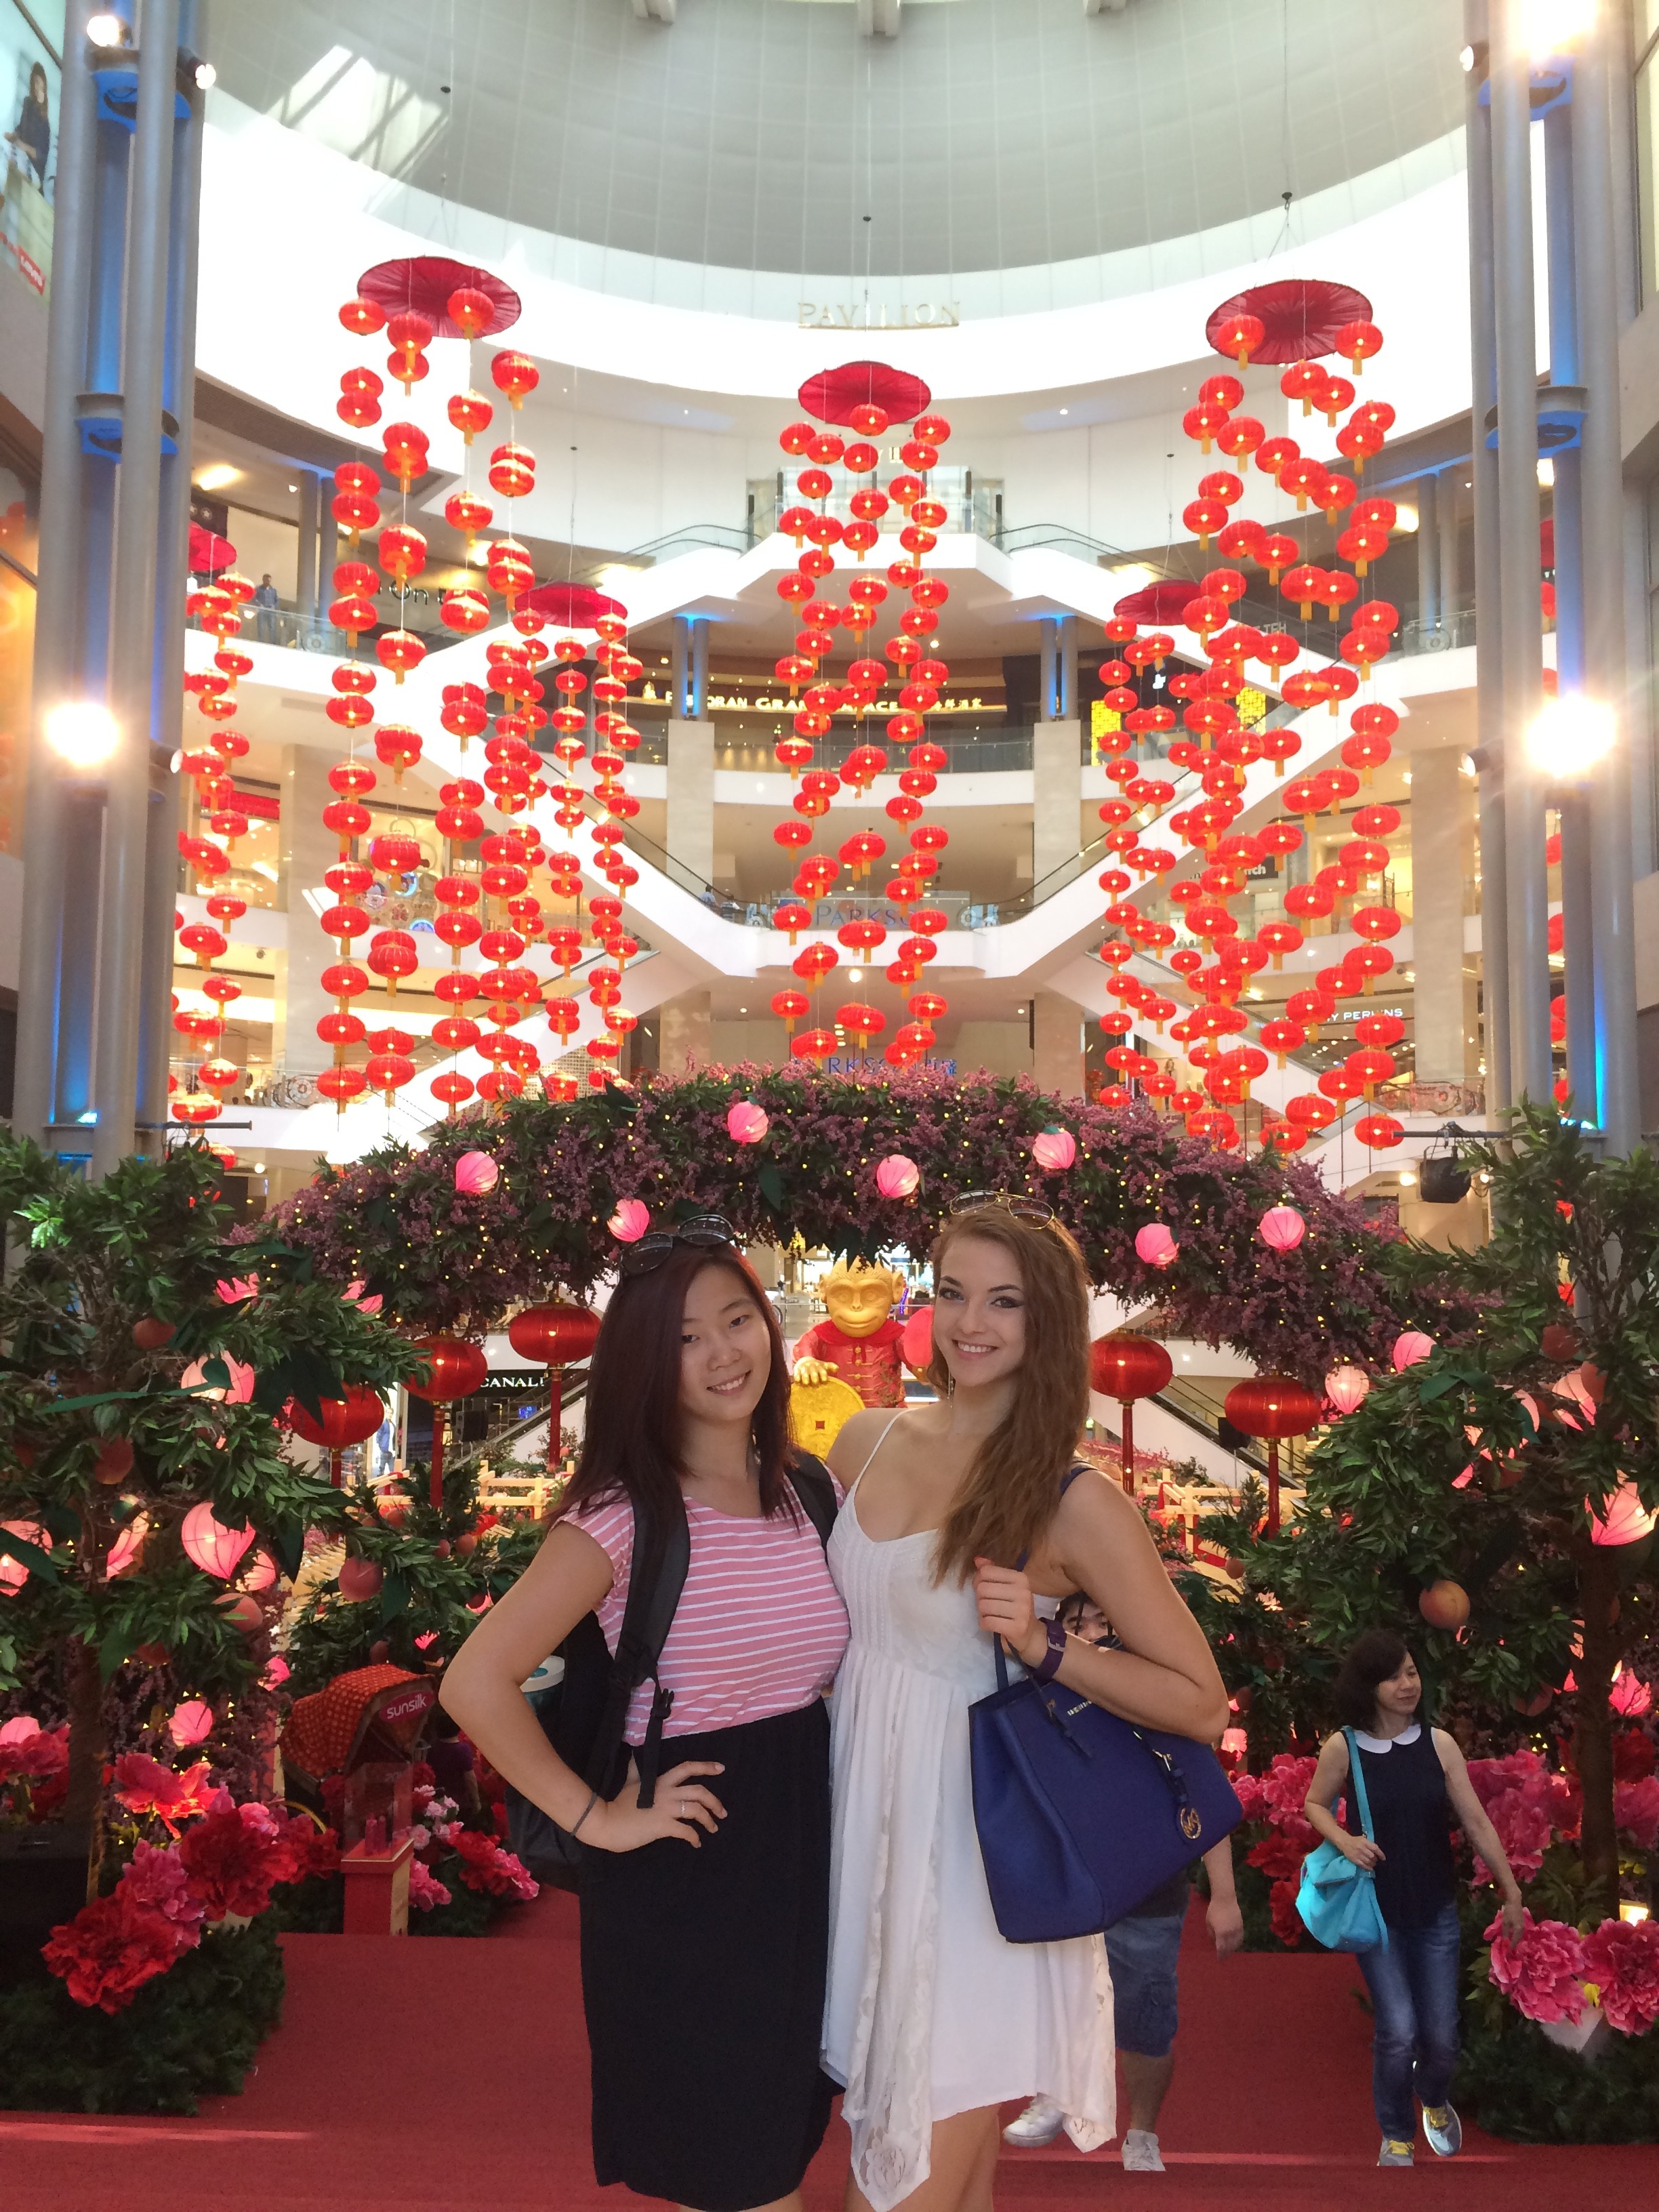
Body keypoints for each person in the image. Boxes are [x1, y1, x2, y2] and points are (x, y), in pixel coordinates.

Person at [822, 1194, 1229, 2212]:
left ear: (1047, 1321)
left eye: (1003, 1301)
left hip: (973, 1866)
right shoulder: (862, 1441)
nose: (971, 1323)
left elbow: (1199, 1703)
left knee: (901, 2177)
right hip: (860, 1833)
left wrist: (1049, 1648)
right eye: (954, 1292)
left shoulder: (1071, 1498)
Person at [441, 1221, 850, 2212]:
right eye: (684, 1338)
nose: (722, 1353)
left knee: (781, 2139)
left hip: (803, 1845)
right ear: (642, 1364)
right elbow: (475, 1681)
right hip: (689, 1861)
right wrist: (596, 1820)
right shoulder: (622, 1516)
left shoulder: (808, 1489)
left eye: (737, 1320)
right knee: (744, 2169)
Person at [1002, 1593, 1244, 2175]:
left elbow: (1203, 1795)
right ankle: (1055, 2093)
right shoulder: (1039, 1697)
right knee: (1058, 2001)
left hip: (1149, 1892)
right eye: (1075, 1624)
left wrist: (1225, 1897)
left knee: (1145, 2022)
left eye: (1102, 1623)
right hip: (1071, 1888)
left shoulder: (1153, 1693)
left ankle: (1143, 2131)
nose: (1089, 1634)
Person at [1304, 1629, 1526, 2169]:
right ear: (1368, 1687)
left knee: (1442, 2037)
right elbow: (1314, 1804)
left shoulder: (1439, 1744)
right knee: (1398, 2030)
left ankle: (1432, 2095)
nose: (1407, 1685)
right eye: (1393, 1677)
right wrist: (1346, 1841)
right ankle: (1396, 2133)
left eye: (1411, 1672)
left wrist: (1511, 1889)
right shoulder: (1344, 1747)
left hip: (1435, 1908)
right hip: (1376, 1912)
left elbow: (1476, 1821)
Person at [5, 65, 49, 188]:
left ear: (44, 85)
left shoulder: (44, 123)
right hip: (20, 155)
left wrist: (22, 146)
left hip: (33, 169)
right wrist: (12, 136)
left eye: (38, 82)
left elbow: (40, 156)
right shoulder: (28, 104)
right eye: (34, 83)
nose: (36, 87)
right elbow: (21, 128)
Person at [252, 573, 279, 644]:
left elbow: (277, 600)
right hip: (262, 610)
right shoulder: (258, 589)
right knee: (261, 626)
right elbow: (254, 598)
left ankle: (272, 643)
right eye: (266, 580)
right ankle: (261, 642)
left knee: (272, 627)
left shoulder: (273, 590)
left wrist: (274, 606)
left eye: (269, 581)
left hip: (271, 611)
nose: (268, 582)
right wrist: (260, 605)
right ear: (263, 580)